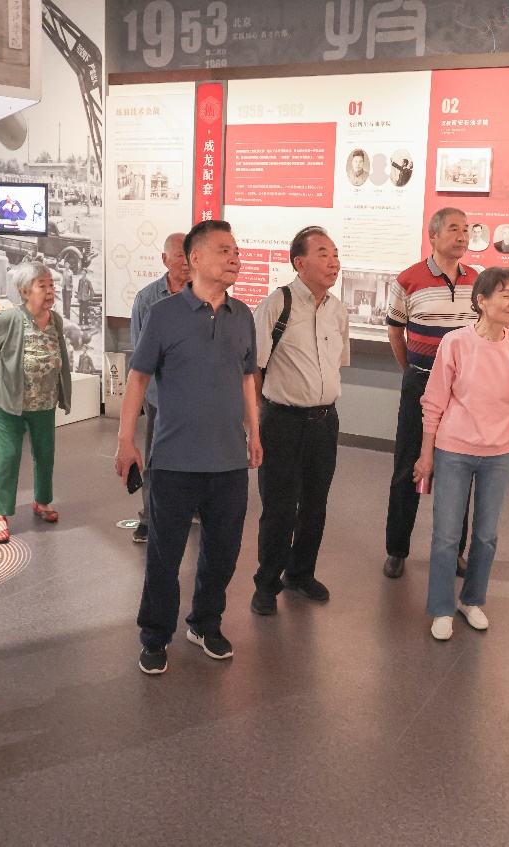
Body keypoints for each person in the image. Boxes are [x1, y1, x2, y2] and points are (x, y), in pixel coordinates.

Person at [114, 220, 262, 675]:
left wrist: (255, 433)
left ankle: (205, 623)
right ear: (195, 258)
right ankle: (155, 635)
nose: (235, 258)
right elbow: (138, 378)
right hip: (175, 460)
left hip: (229, 460)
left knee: (223, 553)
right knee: (165, 555)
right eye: (224, 250)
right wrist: (125, 440)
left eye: (236, 250)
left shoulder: (243, 316)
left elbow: (247, 378)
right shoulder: (163, 314)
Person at [413, 267, 509, 640]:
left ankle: (471, 600)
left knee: (486, 535)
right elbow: (433, 401)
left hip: (501, 453)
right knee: (446, 535)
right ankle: (441, 607)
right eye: (505, 294)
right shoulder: (456, 342)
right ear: (482, 301)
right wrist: (426, 455)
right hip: (454, 450)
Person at [250, 226, 350, 616]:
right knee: (279, 507)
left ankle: (300, 574)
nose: (333, 262)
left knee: (315, 504)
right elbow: (254, 368)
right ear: (300, 262)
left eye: (335, 254)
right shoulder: (277, 304)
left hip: (325, 421)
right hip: (282, 421)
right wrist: (256, 421)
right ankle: (266, 583)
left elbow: (336, 365)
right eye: (323, 254)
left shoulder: (337, 310)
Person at [383, 207, 476, 580]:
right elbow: (395, 331)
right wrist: (411, 372)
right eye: (454, 228)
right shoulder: (409, 279)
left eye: (466, 229)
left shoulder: (478, 280)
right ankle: (397, 550)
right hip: (420, 383)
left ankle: (453, 551)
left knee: (459, 469)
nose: (463, 236)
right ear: (433, 235)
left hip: (464, 391)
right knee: (408, 466)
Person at [0, 262, 72, 543]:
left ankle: (42, 501)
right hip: (9, 401)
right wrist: (1, 377)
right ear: (24, 291)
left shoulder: (55, 320)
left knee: (45, 453)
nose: (50, 290)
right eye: (42, 285)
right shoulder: (9, 319)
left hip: (44, 401)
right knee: (8, 456)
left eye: (51, 284)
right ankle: (0, 513)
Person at [128, 232, 192, 544]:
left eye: (189, 255)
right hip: (160, 396)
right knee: (155, 460)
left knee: (195, 455)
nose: (185, 262)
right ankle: (149, 518)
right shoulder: (147, 299)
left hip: (196, 397)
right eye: (179, 255)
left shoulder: (204, 295)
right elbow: (139, 355)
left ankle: (193, 508)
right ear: (164, 260)